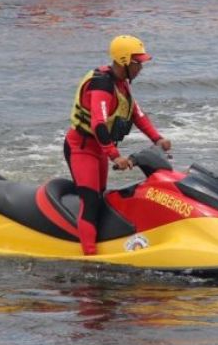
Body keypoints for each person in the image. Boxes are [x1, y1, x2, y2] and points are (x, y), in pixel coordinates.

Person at [64, 35, 172, 255]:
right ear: (124, 61)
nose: (141, 67)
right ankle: (89, 258)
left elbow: (137, 115)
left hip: (98, 150)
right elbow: (99, 125)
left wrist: (157, 138)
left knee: (102, 195)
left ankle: (101, 242)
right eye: (137, 62)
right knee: (91, 201)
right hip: (81, 148)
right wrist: (115, 156)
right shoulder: (102, 85)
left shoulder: (121, 84)